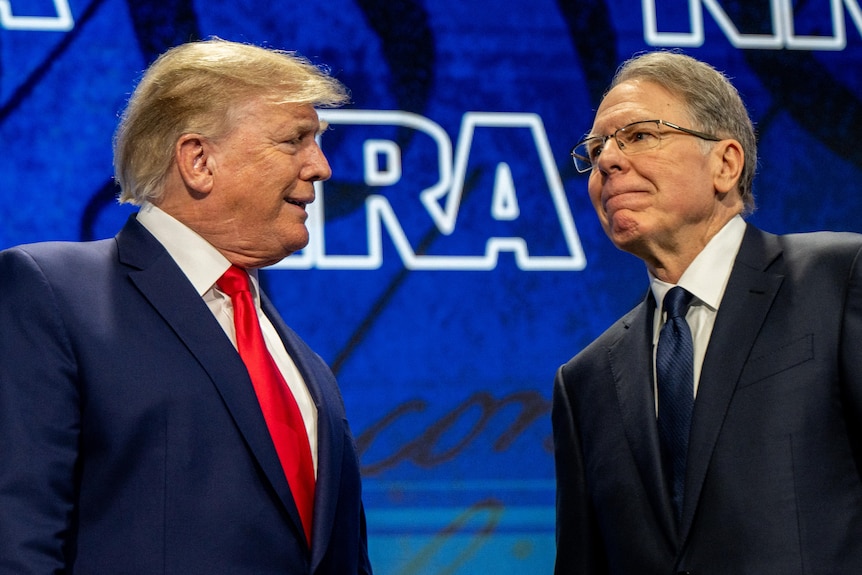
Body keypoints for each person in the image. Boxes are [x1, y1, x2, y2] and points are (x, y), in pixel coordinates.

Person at [0, 39, 373, 574]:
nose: (321, 168)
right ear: (199, 160)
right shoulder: (52, 295)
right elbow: (18, 538)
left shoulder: (302, 361)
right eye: (296, 140)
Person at [552, 50, 862, 574]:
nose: (607, 160)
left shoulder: (840, 281)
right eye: (596, 148)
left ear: (725, 163)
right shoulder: (585, 382)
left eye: (639, 136)